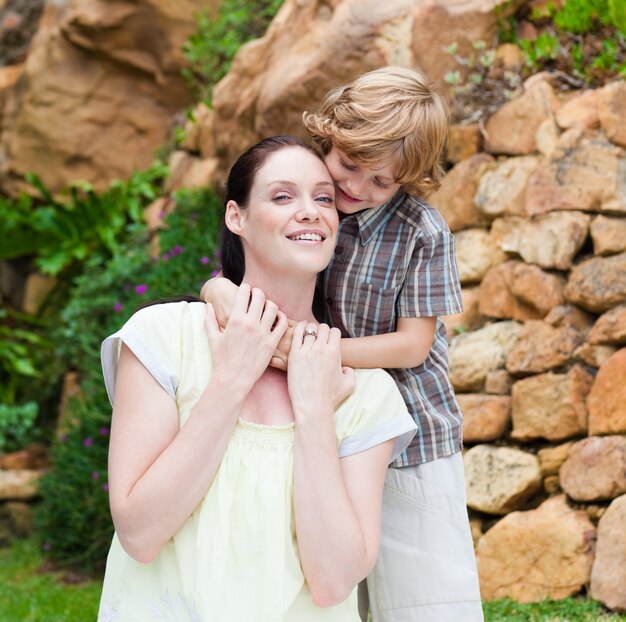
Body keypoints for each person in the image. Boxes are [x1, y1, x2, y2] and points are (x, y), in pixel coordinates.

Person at [203, 67, 484, 622]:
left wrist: (308, 350)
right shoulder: (312, 202)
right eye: (350, 166)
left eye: (381, 182)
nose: (356, 188)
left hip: (412, 437)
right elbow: (241, 271)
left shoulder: (421, 231)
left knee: (425, 596)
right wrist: (217, 289)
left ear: (410, 181)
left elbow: (412, 346)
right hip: (323, 421)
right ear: (330, 136)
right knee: (327, 584)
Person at [97, 135, 417, 622]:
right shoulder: (163, 338)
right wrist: (231, 378)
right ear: (236, 217)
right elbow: (140, 534)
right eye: (283, 196)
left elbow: (333, 581)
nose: (310, 211)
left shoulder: (365, 391)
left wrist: (313, 410)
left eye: (324, 198)